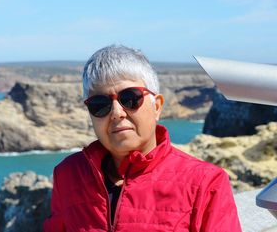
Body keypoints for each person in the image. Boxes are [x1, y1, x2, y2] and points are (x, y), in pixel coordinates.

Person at [43, 45, 241, 231]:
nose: (116, 112)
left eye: (129, 98)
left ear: (157, 106)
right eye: (99, 104)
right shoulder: (67, 174)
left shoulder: (205, 183)